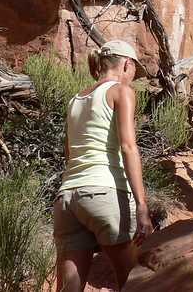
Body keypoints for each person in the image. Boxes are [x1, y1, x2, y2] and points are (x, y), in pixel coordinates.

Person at [53, 40, 154, 292]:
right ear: (126, 64)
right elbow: (129, 147)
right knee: (133, 281)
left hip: (67, 197)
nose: (132, 78)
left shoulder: (76, 99)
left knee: (69, 288)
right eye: (133, 72)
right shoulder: (121, 91)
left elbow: (69, 151)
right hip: (105, 193)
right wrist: (142, 205)